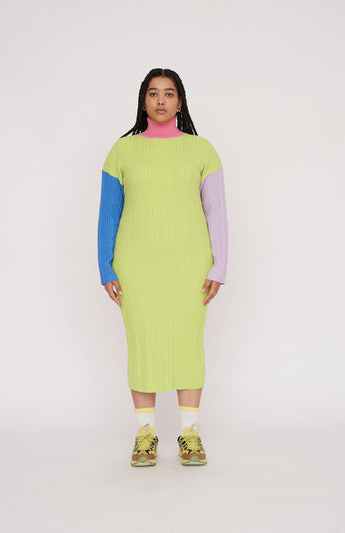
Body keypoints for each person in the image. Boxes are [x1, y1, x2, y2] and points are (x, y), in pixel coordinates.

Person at [97, 68, 228, 467]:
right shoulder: (122, 151)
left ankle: (190, 433)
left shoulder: (202, 150)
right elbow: (109, 213)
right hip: (136, 266)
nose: (160, 100)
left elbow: (216, 211)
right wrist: (106, 267)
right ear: (143, 101)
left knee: (188, 344)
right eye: (153, 93)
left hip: (190, 266)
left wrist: (219, 265)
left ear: (180, 102)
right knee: (143, 345)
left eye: (168, 93)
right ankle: (145, 435)